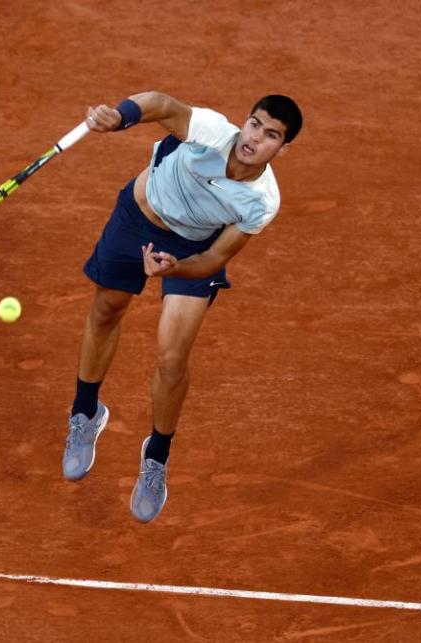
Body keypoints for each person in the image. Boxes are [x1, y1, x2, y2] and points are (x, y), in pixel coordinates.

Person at [61, 91, 303, 522]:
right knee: (106, 311)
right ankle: (85, 412)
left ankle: (156, 457)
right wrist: (119, 117)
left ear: (282, 148)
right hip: (139, 215)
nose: (254, 138)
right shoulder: (211, 132)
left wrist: (177, 266)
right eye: (254, 124)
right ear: (244, 122)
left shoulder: (261, 202)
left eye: (270, 135)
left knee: (172, 360)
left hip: (193, 249)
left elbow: (214, 260)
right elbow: (160, 104)